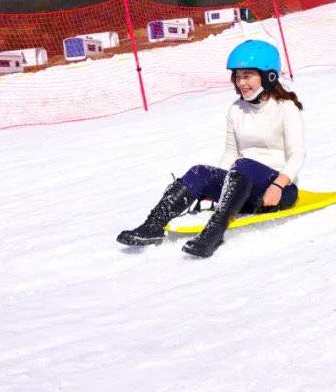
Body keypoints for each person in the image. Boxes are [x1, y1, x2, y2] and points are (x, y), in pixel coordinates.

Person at [116, 39, 305, 258]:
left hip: (277, 191)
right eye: (237, 76)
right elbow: (231, 153)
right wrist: (215, 184)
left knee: (244, 165)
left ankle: (213, 234)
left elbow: (296, 154)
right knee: (200, 172)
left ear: (269, 76)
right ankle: (153, 225)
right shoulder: (236, 110)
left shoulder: (285, 108)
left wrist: (279, 185)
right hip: (243, 188)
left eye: (248, 76)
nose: (241, 82)